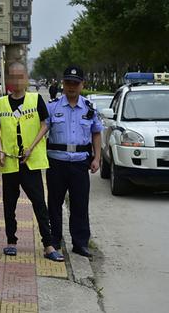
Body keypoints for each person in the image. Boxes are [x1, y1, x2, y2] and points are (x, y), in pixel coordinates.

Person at [0, 62, 64, 261]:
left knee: (39, 203)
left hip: (30, 162)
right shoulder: (1, 103)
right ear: (8, 80)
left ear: (25, 78)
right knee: (9, 203)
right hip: (9, 161)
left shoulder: (35, 100)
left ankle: (48, 245)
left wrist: (31, 147)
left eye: (20, 76)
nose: (16, 81)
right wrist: (0, 151)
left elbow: (45, 125)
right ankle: (11, 242)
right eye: (12, 77)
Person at [46, 65, 103, 258]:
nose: (71, 86)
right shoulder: (52, 107)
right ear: (63, 84)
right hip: (56, 162)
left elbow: (96, 133)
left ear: (82, 85)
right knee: (54, 204)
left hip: (80, 163)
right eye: (68, 83)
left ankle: (80, 243)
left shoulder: (89, 108)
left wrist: (97, 158)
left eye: (75, 83)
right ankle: (54, 241)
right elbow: (41, 131)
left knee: (80, 204)